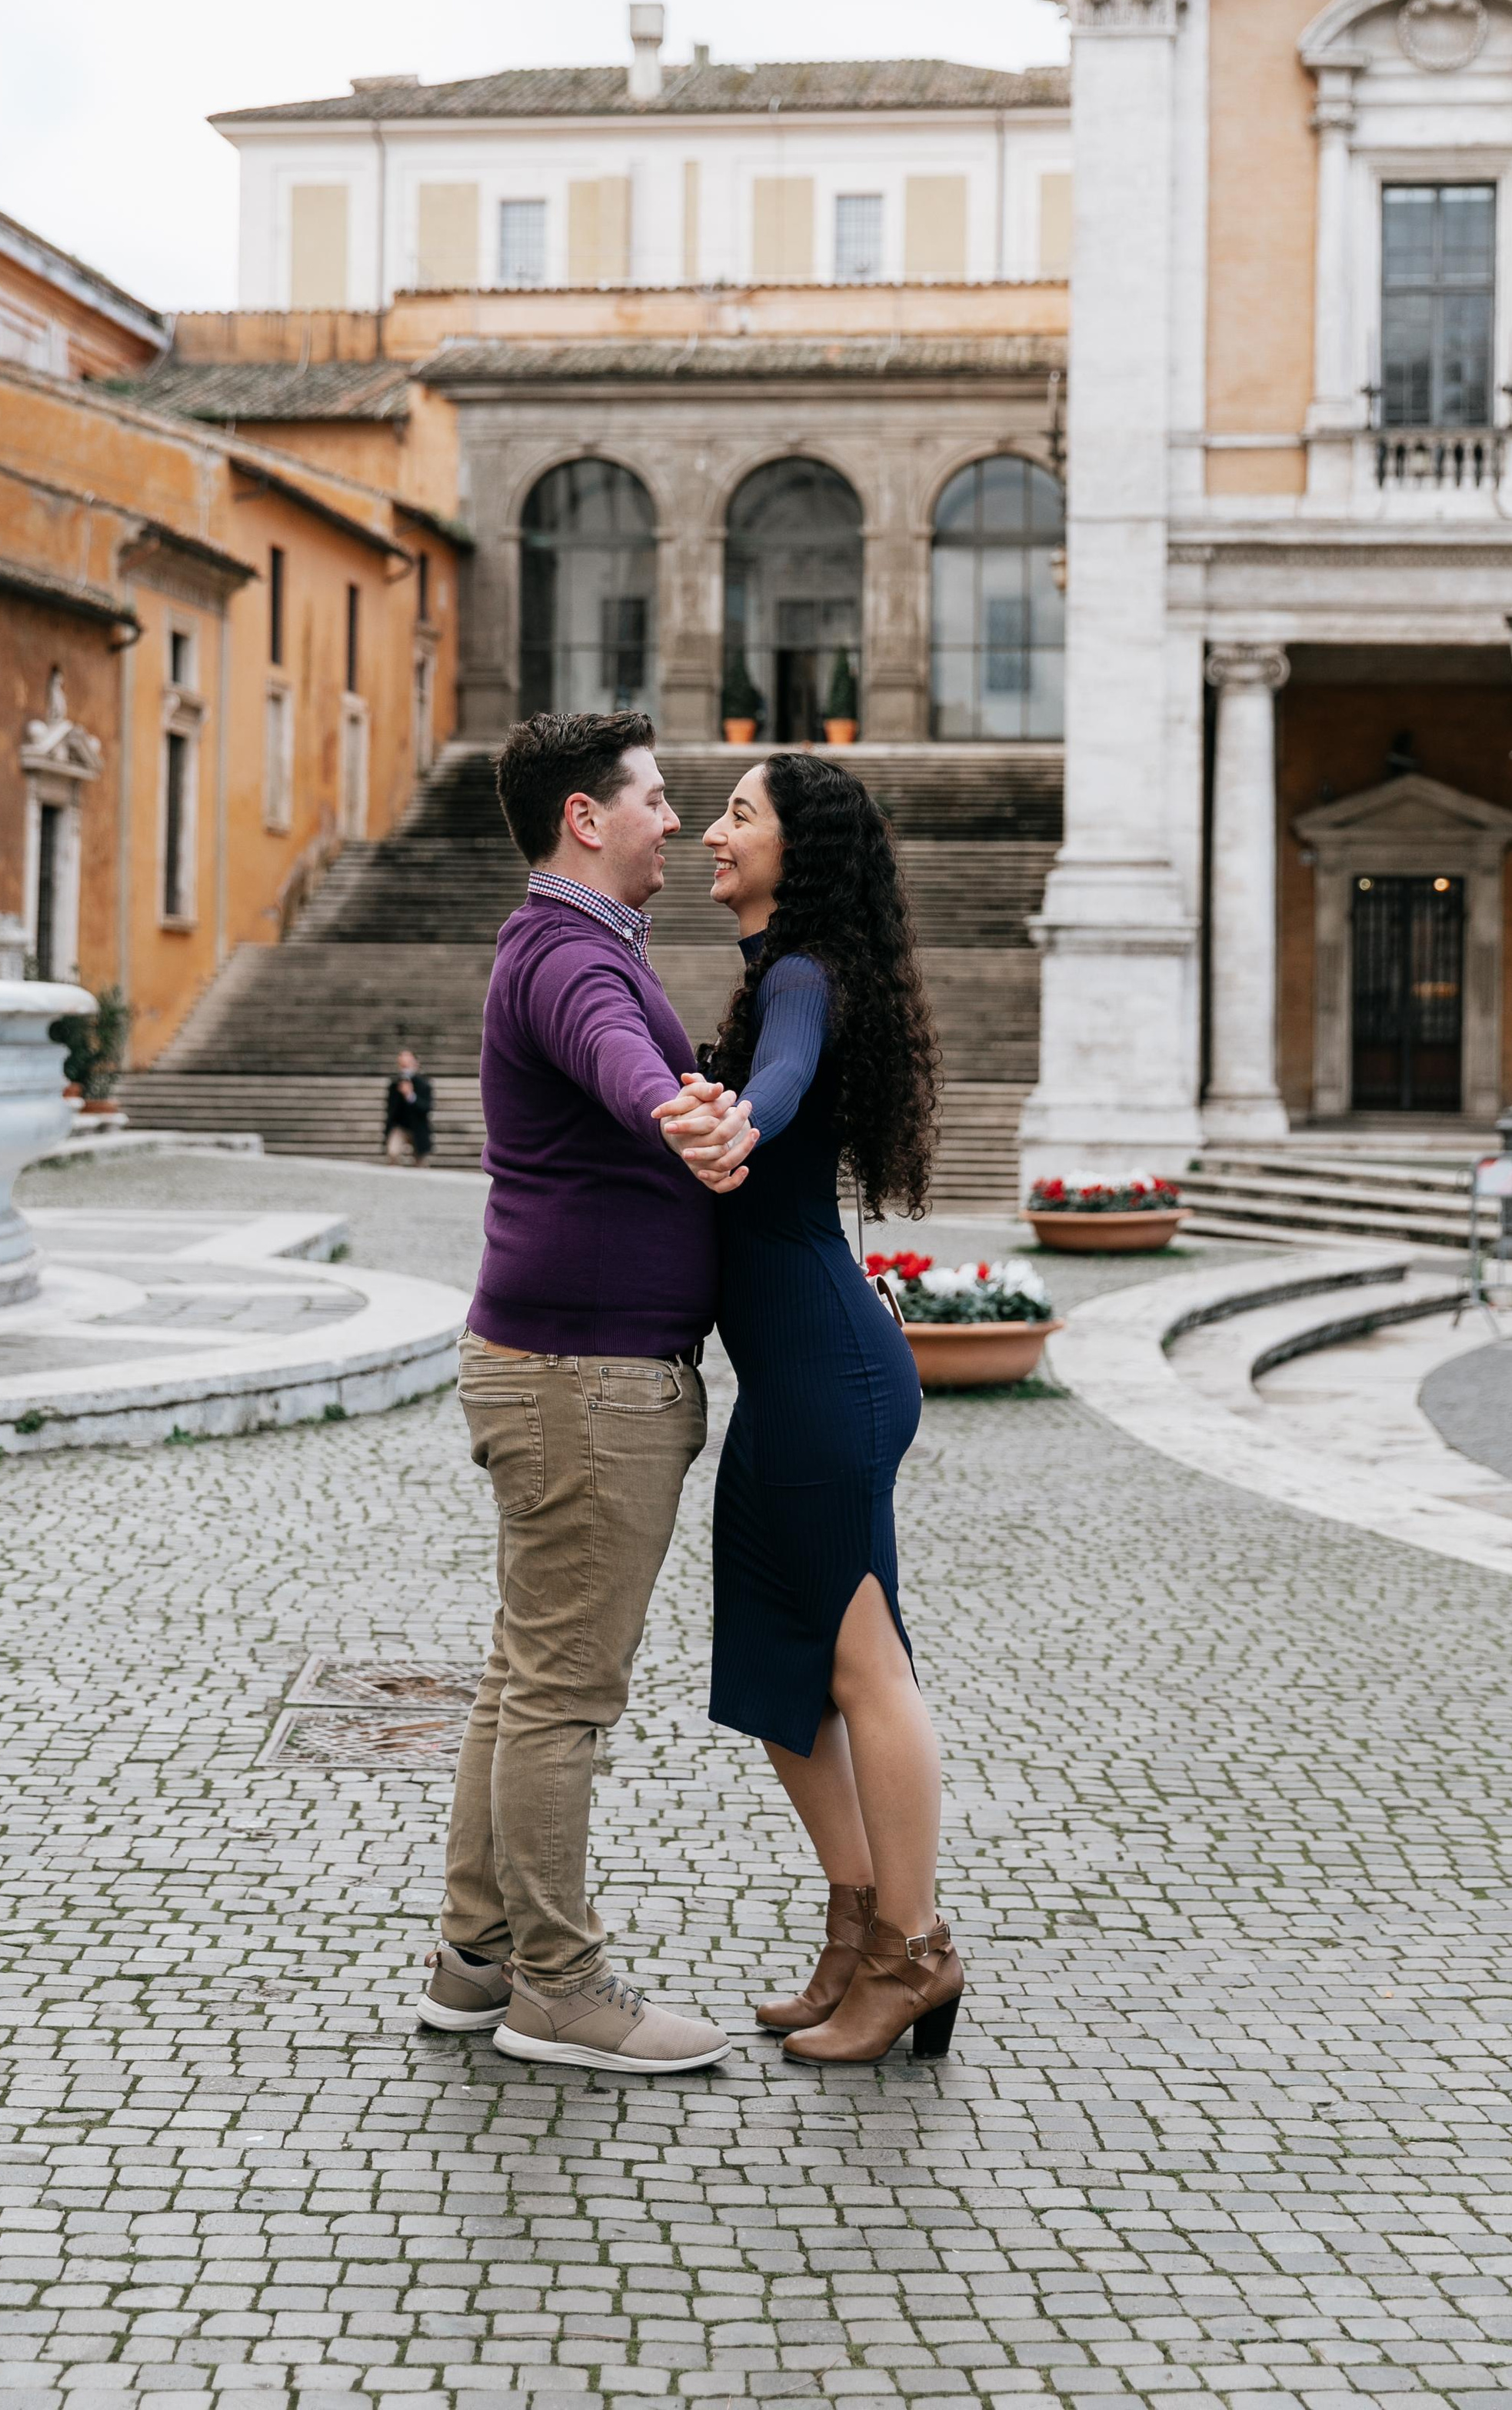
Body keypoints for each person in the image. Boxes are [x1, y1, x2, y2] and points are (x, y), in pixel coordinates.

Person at [418, 710, 754, 2077]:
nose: (676, 820)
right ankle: (558, 1988)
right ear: (586, 816)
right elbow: (612, 1050)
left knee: (523, 1676)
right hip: (586, 1380)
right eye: (657, 797)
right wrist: (673, 1108)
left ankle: (473, 1958)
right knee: (562, 1692)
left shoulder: (570, 941)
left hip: (555, 1366)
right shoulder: (568, 954)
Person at [655, 753, 960, 2065]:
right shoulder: (786, 969)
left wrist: (737, 1121)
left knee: (863, 1669)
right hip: (801, 1377)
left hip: (828, 1376)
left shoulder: (799, 978)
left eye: (740, 815)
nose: (712, 834)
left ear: (800, 849)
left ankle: (914, 1954)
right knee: (782, 1675)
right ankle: (856, 1927)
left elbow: (778, 1081)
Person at [384, 1046, 433, 1165]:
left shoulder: (424, 1084)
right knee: (393, 1153)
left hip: (418, 1127)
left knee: (421, 1161)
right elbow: (391, 1108)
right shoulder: (395, 1084)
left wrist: (410, 1096)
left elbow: (426, 1108)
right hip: (400, 1126)